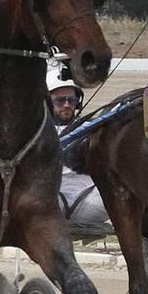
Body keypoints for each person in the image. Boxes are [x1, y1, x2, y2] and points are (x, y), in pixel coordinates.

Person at [48, 69, 110, 226]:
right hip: (52, 203)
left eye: (71, 100)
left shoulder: (91, 127)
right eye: (60, 101)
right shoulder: (35, 131)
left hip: (90, 202)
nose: (67, 105)